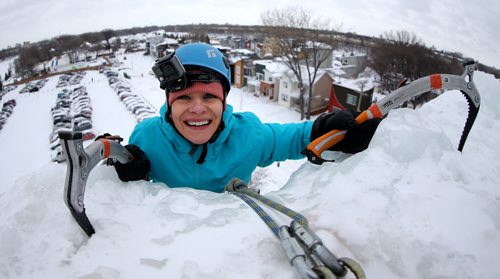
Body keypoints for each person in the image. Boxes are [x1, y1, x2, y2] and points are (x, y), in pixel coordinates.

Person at [104, 43, 380, 193]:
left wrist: (330, 129)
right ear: (168, 102)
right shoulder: (147, 137)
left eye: (209, 97)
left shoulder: (248, 135)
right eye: (184, 98)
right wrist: (121, 174)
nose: (197, 108)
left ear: (224, 102)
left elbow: (296, 137)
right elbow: (123, 178)